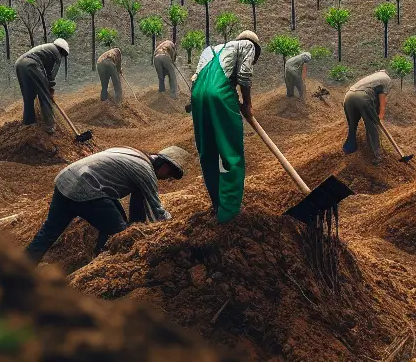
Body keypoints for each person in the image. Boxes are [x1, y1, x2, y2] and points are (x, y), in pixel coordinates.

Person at [25, 145, 188, 262]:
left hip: (66, 180)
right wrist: (174, 227)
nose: (168, 179)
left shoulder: (132, 153)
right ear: (166, 166)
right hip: (88, 188)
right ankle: (100, 264)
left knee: (49, 231)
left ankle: (21, 270)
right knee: (118, 234)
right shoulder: (145, 170)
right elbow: (156, 209)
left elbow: (138, 204)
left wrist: (136, 226)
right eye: (171, 175)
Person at [189, 29, 261, 223]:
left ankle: (217, 204)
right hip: (221, 95)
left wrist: (196, 100)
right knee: (231, 154)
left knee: (208, 153)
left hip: (197, 96)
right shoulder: (247, 45)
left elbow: (195, 78)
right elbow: (245, 74)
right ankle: (229, 212)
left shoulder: (209, 50)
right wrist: (247, 103)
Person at [16, 38, 69, 133]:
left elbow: (47, 71)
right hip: (31, 64)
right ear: (62, 50)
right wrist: (50, 89)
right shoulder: (57, 54)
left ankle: (29, 122)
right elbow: (52, 75)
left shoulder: (47, 49)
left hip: (19, 64)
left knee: (29, 96)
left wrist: (49, 86)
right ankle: (50, 126)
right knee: (44, 95)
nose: (62, 57)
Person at [343, 69, 393, 164]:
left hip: (348, 96)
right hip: (362, 97)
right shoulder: (387, 80)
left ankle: (349, 149)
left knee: (352, 126)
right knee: (372, 127)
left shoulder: (372, 78)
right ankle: (377, 156)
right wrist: (380, 115)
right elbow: (382, 99)